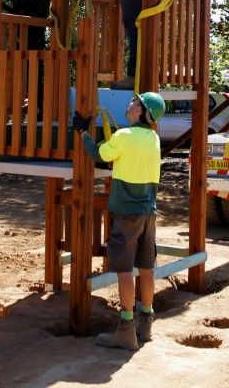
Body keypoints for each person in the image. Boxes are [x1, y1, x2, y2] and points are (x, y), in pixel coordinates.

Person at [73, 91, 164, 350]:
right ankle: (145, 322)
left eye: (135, 102)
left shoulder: (125, 136)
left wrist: (82, 132)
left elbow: (99, 154)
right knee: (146, 268)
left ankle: (125, 329)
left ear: (141, 112)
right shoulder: (154, 138)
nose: (130, 103)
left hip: (127, 214)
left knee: (124, 271)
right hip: (148, 212)